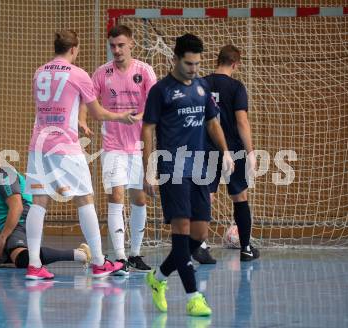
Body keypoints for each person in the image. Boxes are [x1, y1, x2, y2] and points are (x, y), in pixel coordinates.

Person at [24, 30, 138, 280]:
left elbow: (52, 107)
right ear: (74, 49)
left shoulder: (39, 72)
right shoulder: (78, 74)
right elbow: (97, 113)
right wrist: (122, 116)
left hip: (38, 147)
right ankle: (99, 262)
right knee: (85, 199)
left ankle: (34, 265)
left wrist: (77, 119)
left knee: (39, 202)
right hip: (65, 148)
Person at [142, 34, 234, 317]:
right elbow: (147, 129)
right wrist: (149, 169)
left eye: (197, 63)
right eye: (188, 63)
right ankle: (194, 297)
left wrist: (226, 151)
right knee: (181, 234)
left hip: (199, 168)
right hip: (173, 169)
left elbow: (212, 122)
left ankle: (158, 278)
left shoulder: (203, 87)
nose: (194, 69)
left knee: (199, 235)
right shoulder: (161, 91)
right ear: (176, 59)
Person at [79, 25, 156, 274]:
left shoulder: (144, 71)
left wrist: (140, 116)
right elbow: (87, 99)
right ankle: (121, 257)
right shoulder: (102, 73)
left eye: (121, 45)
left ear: (131, 43)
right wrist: (81, 120)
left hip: (138, 146)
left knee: (139, 198)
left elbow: (155, 104)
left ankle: (135, 253)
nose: (117, 50)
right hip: (112, 146)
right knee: (116, 198)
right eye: (112, 45)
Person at [0, 145, 91, 269]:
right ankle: (7, 253)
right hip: (12, 230)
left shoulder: (3, 176)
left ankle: (79, 254)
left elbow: (17, 207)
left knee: (23, 259)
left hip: (21, 226)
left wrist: (2, 240)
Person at [193, 45, 260, 264]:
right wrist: (250, 152)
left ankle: (200, 244)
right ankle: (246, 248)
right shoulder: (237, 86)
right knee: (239, 196)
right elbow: (242, 121)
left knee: (207, 195)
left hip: (207, 147)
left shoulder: (201, 83)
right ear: (235, 64)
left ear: (217, 60)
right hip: (233, 149)